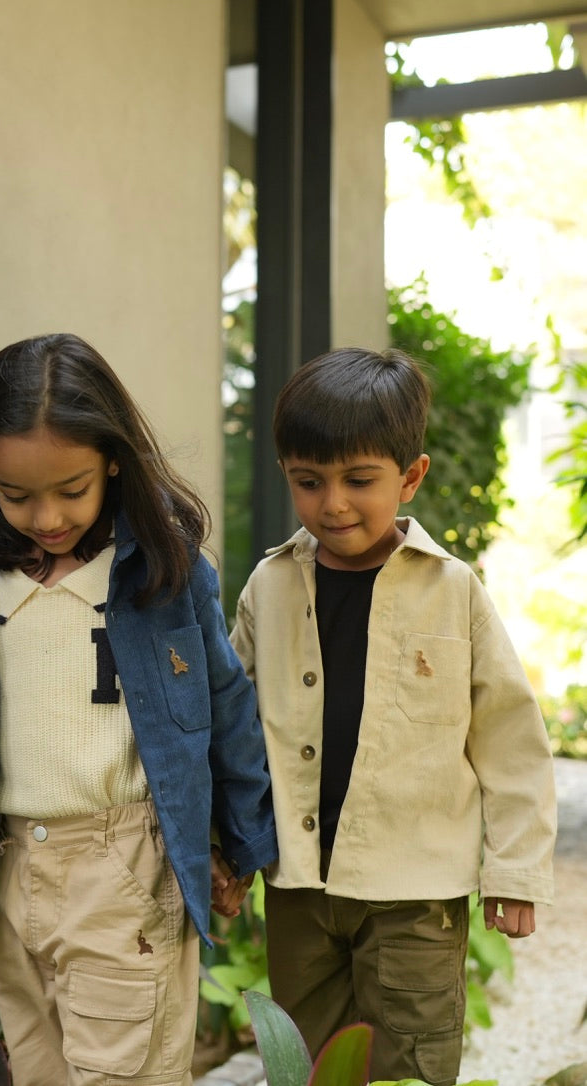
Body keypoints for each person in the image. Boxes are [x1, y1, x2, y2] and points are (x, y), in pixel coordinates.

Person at [0, 333, 277, 1086]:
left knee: (121, 1072)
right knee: (37, 1068)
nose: (45, 517)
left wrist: (239, 843)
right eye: (17, 494)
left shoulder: (164, 571)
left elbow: (226, 704)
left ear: (112, 458)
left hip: (124, 865)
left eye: (70, 490)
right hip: (13, 867)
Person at [229, 347, 556, 1086]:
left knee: (412, 1058)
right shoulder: (270, 586)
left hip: (416, 890)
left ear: (410, 477)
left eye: (359, 481)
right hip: (299, 885)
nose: (333, 504)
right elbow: (234, 730)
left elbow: (510, 738)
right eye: (308, 482)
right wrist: (228, 848)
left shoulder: (453, 591)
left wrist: (515, 871)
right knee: (307, 1061)